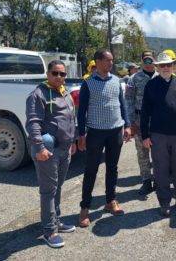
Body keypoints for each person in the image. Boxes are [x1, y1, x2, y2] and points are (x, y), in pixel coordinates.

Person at [140, 51, 176, 217]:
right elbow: (145, 112)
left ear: (173, 66)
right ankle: (164, 202)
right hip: (158, 135)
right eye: (162, 65)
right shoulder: (151, 85)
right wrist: (145, 135)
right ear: (158, 67)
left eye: (168, 65)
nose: (165, 68)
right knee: (161, 170)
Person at [26, 60, 77, 248]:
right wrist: (39, 148)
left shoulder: (65, 93)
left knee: (58, 186)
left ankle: (56, 221)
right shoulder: (38, 95)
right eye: (55, 73)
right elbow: (33, 123)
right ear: (48, 74)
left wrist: (73, 141)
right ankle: (49, 230)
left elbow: (72, 117)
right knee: (48, 190)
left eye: (62, 74)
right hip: (48, 151)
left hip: (65, 148)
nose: (59, 77)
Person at [77, 49, 131, 227]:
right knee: (91, 169)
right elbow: (82, 110)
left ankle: (110, 201)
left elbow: (122, 105)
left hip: (115, 130)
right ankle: (85, 207)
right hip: (95, 132)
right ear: (98, 62)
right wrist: (81, 134)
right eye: (108, 60)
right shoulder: (88, 83)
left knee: (112, 167)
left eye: (112, 61)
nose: (111, 64)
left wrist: (127, 125)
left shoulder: (116, 81)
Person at [125, 51, 158, 195]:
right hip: (139, 120)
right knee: (142, 152)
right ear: (142, 61)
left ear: (155, 59)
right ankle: (146, 181)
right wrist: (131, 122)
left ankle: (158, 179)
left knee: (159, 152)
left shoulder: (161, 76)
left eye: (151, 58)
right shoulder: (134, 78)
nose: (148, 62)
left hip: (158, 121)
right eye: (145, 59)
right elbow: (128, 101)